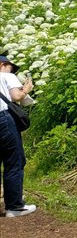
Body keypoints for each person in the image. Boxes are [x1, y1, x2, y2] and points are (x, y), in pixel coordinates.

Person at [0, 55, 36, 217]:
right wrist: (26, 90)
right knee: (14, 161)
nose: (12, 71)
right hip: (3, 119)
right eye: (11, 67)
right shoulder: (7, 76)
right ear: (3, 65)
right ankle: (14, 207)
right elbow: (15, 97)